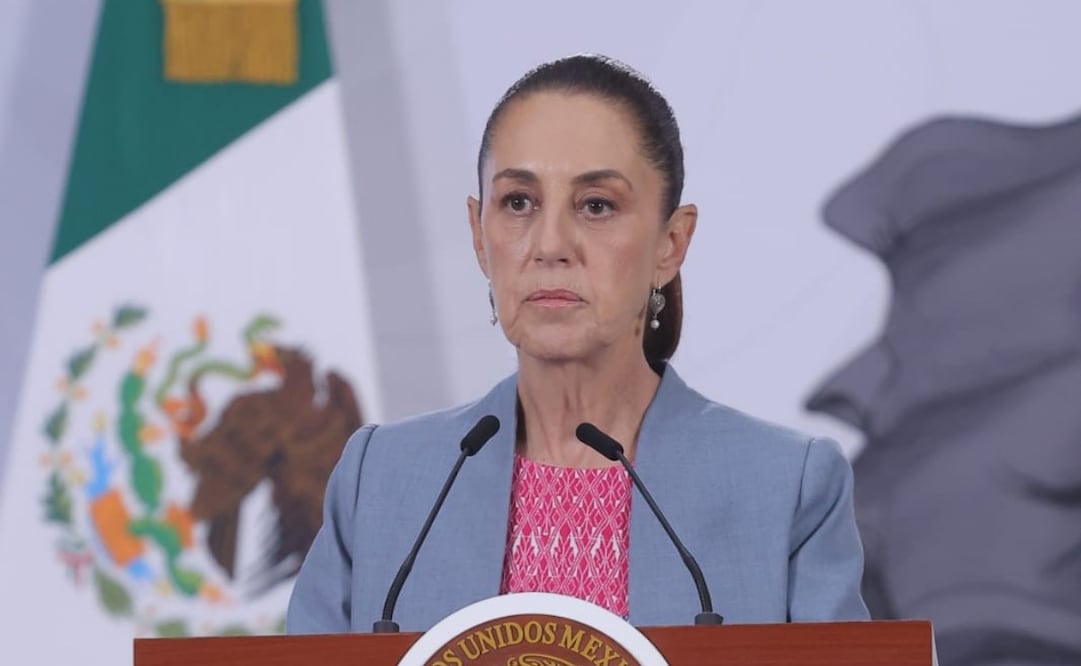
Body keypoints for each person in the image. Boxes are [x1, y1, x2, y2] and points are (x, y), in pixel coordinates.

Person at [287, 54, 868, 633]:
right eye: (518, 202)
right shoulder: (382, 480)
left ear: (671, 243)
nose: (550, 244)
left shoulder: (785, 487)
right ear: (477, 233)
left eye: (596, 205)